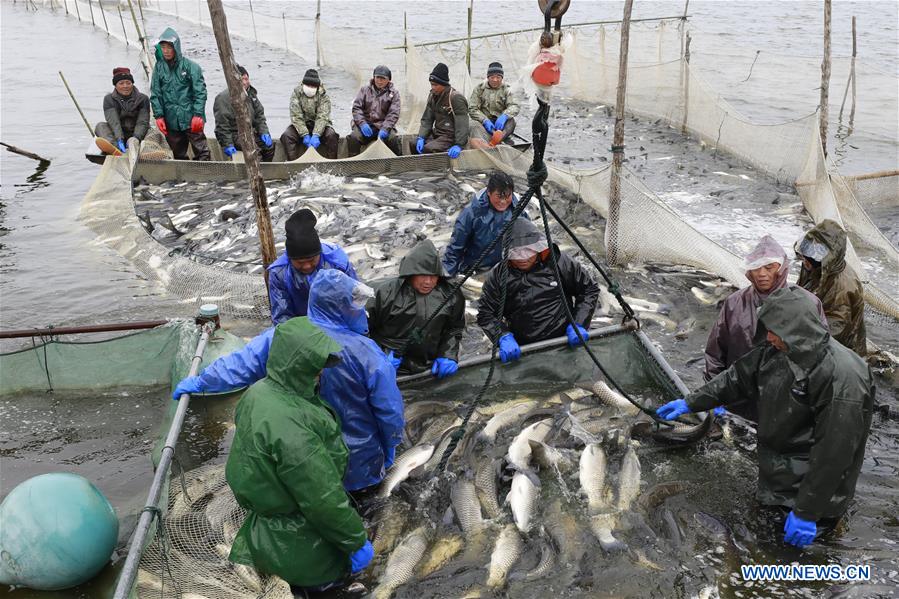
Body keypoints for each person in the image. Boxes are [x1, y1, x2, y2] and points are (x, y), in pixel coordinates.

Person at [656, 287, 874, 548]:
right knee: (761, 543)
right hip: (779, 473)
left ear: (797, 329)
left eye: (776, 331)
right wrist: (691, 402)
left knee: (795, 565)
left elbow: (834, 455)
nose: (769, 337)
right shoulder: (777, 350)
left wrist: (808, 513)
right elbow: (736, 378)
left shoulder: (843, 377)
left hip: (814, 490)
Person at [174, 271, 405, 494]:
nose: (359, 310)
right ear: (341, 306)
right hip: (360, 465)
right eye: (352, 304)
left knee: (313, 500)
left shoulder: (286, 335)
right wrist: (391, 445)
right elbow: (389, 410)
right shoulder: (368, 353)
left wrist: (201, 382)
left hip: (302, 462)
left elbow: (240, 365)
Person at [224, 317, 374, 591]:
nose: (320, 371)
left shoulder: (258, 392)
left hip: (265, 531)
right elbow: (321, 499)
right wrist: (355, 541)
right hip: (306, 550)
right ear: (298, 364)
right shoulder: (293, 428)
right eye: (315, 364)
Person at [703, 235, 827, 421]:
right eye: (756, 268)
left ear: (782, 268)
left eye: (769, 267)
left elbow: (822, 356)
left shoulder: (808, 304)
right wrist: (715, 396)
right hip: (739, 402)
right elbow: (715, 354)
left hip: (787, 406)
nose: (761, 274)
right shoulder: (734, 303)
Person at [477, 218, 599, 362]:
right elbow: (486, 313)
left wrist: (579, 323)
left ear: (538, 248)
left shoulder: (559, 262)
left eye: (528, 251)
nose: (522, 258)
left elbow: (588, 289)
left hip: (565, 341)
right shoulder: (498, 275)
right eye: (515, 252)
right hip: (522, 349)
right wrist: (503, 336)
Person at [368, 239, 465, 377]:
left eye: (433, 276)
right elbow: (360, 331)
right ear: (411, 273)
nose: (428, 282)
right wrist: (379, 355)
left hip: (429, 365)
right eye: (423, 275)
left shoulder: (450, 293)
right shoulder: (383, 293)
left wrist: (448, 354)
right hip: (388, 365)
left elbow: (455, 328)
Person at [267, 208, 357, 324]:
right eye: (300, 263)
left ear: (319, 253)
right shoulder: (278, 273)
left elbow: (355, 300)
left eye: (311, 260)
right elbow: (282, 316)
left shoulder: (337, 263)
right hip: (301, 326)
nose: (307, 266)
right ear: (290, 259)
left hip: (337, 322)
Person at [795, 219, 867, 356]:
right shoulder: (816, 267)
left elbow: (835, 329)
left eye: (809, 255)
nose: (804, 260)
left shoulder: (841, 286)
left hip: (844, 352)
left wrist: (798, 338)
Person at [442, 171, 528, 276]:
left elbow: (529, 240)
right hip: (476, 269)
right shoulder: (471, 213)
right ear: (488, 192)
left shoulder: (518, 210)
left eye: (507, 196)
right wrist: (446, 276)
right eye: (499, 196)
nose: (503, 201)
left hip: (506, 268)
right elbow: (455, 248)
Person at [150, 27, 210, 161]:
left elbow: (200, 92)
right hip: (171, 119)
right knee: (178, 154)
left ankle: (206, 176)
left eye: (169, 47)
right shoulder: (159, 68)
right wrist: (159, 116)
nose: (166, 51)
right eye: (163, 47)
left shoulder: (191, 67)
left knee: (202, 152)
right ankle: (184, 179)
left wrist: (198, 115)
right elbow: (155, 93)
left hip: (191, 117)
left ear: (176, 47)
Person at [213, 65, 275, 162]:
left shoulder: (251, 94)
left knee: (269, 147)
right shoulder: (222, 99)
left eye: (247, 79)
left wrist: (264, 132)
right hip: (235, 134)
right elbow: (222, 126)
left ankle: (266, 170)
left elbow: (260, 117)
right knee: (254, 152)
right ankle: (255, 174)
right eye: (242, 79)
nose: (246, 83)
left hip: (250, 131)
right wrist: (228, 144)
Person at [280, 68, 339, 160]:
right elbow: (296, 116)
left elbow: (322, 117)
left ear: (317, 86)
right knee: (286, 136)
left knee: (331, 135)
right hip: (301, 126)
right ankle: (293, 164)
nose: (310, 88)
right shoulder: (296, 93)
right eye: (308, 85)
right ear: (303, 84)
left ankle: (332, 162)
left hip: (320, 127)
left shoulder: (323, 96)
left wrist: (316, 134)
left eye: (313, 86)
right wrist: (304, 134)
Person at [415, 62, 469, 158]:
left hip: (450, 137)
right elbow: (427, 119)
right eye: (431, 84)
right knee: (412, 143)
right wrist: (421, 136)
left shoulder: (456, 98)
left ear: (444, 84)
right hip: (438, 133)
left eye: (435, 85)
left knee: (428, 149)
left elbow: (462, 124)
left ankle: (434, 168)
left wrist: (459, 145)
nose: (433, 88)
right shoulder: (432, 95)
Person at [347, 65, 402, 156]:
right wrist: (362, 124)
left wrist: (385, 128)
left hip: (383, 127)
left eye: (383, 78)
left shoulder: (394, 93)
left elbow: (393, 114)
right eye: (377, 77)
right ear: (373, 77)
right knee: (353, 138)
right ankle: (353, 164)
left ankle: (397, 162)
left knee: (394, 139)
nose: (379, 81)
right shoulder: (364, 90)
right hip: (366, 125)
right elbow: (357, 108)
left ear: (388, 80)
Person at [95, 67, 150, 154]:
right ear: (115, 85)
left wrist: (135, 138)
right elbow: (114, 122)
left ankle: (137, 148)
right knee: (100, 126)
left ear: (132, 83)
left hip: (136, 134)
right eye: (121, 83)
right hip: (118, 135)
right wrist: (120, 139)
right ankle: (116, 148)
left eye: (128, 83)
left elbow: (142, 122)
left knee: (153, 132)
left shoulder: (143, 98)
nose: (125, 86)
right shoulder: (108, 99)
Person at [468, 62, 520, 149]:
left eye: (498, 77)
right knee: (472, 124)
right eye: (492, 77)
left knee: (511, 122)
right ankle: (484, 142)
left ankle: (497, 139)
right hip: (484, 123)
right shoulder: (479, 88)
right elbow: (472, 108)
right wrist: (484, 120)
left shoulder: (507, 89)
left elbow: (514, 105)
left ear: (502, 78)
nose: (495, 80)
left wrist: (505, 116)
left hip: (501, 126)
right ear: (488, 77)